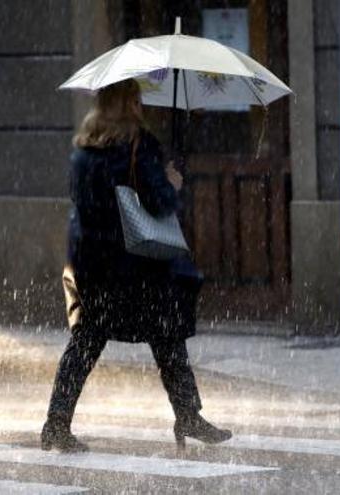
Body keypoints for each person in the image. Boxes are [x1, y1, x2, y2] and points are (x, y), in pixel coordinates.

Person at [41, 79, 232, 452]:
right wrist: (171, 182)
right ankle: (189, 415)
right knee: (167, 337)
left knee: (86, 341)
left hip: (91, 262)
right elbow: (159, 203)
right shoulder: (137, 145)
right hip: (135, 263)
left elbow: (84, 203)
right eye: (137, 98)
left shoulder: (83, 149)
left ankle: (56, 423)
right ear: (129, 103)